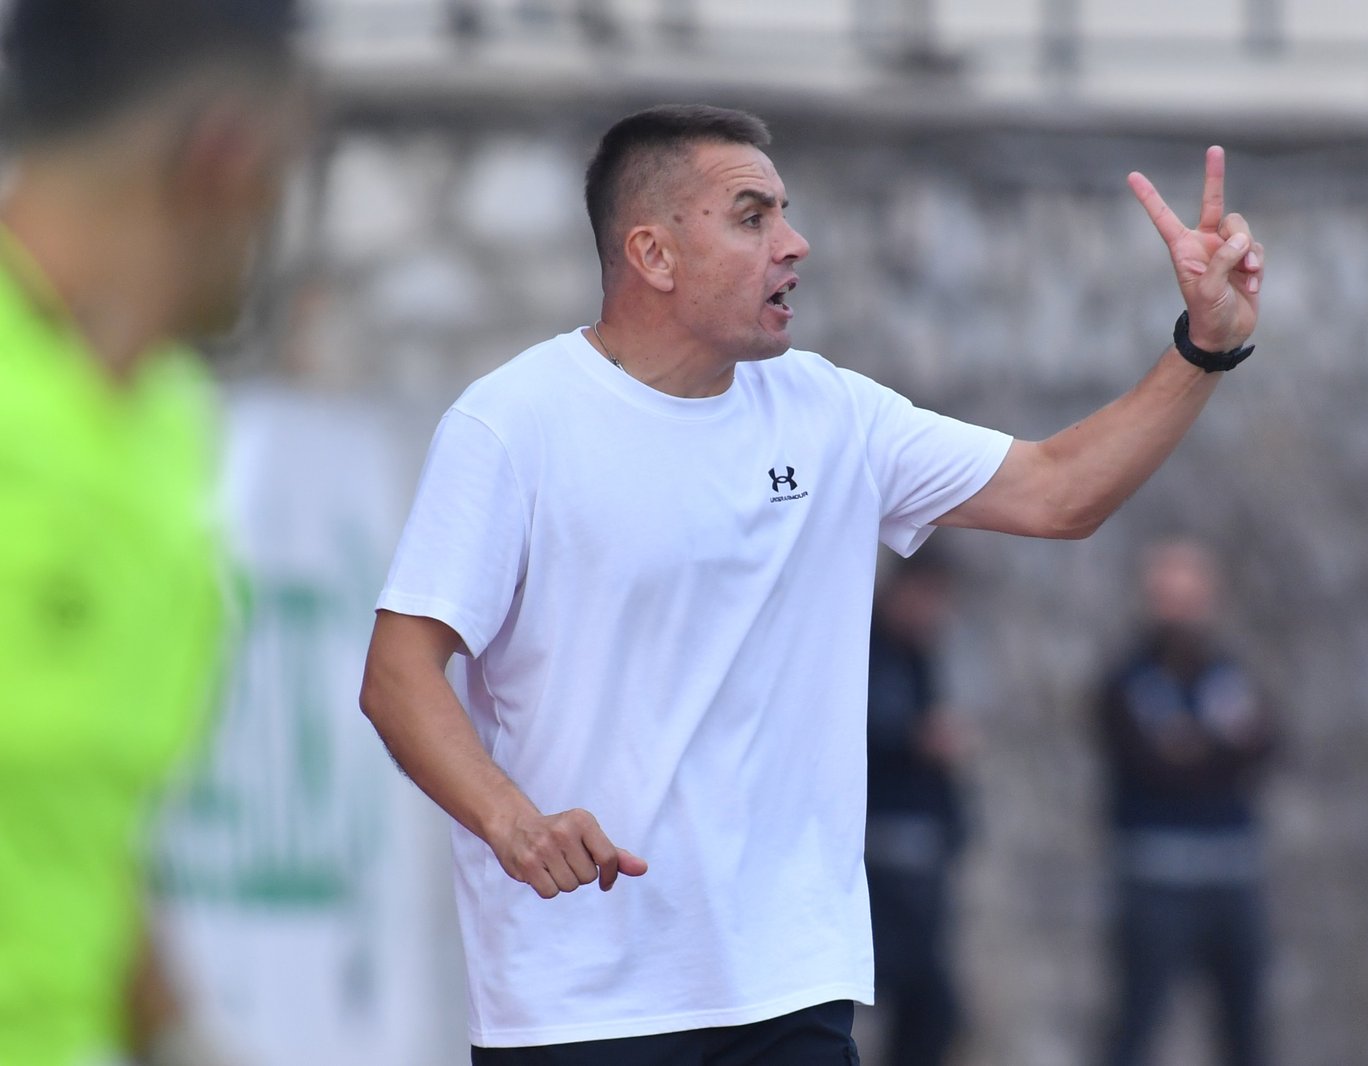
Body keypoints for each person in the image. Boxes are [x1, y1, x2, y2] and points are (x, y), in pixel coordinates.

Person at [359, 103, 1266, 1064]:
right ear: (653, 254)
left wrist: (1204, 345)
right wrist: (515, 825)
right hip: (578, 1001)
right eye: (752, 217)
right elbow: (398, 675)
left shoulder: (832, 413)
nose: (794, 243)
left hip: (792, 984)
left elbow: (1059, 492)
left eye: (784, 214)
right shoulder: (512, 425)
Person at [0, 3, 305, 1065]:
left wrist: (173, 1034)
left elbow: (71, 824)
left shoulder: (167, 424)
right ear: (224, 157)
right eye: (284, 170)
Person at [1096, 538, 1278, 1066]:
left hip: (1231, 873)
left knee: (1245, 1031)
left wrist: (1196, 749)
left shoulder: (1228, 674)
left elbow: (1267, 742)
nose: (1180, 612)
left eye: (1190, 597)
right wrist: (1221, 750)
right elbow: (1150, 763)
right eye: (1169, 597)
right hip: (1156, 876)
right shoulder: (1128, 681)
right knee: (1138, 1022)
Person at [863, 552, 974, 1066]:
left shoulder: (921, 658)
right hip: (875, 861)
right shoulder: (866, 652)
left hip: (921, 861)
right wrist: (917, 738)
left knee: (932, 1010)